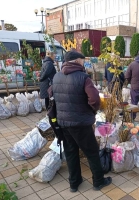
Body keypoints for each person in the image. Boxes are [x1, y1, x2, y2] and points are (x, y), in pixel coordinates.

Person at [52, 50, 112, 192]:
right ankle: (98, 181)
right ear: (77, 61)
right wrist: (93, 110)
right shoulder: (83, 77)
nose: (83, 62)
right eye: (82, 60)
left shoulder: (56, 77)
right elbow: (95, 99)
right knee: (91, 152)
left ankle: (74, 183)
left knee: (71, 152)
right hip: (81, 123)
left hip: (63, 122)